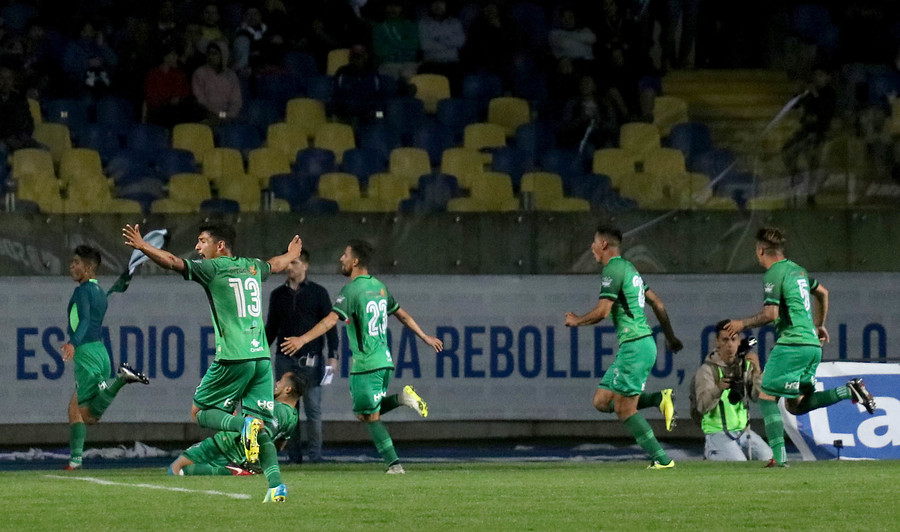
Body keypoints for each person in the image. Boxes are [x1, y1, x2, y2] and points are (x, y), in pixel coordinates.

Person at [122, 221, 302, 503]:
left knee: (199, 411)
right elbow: (275, 264)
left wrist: (144, 246)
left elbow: (172, 261)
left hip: (233, 357)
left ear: (220, 246)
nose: (197, 247)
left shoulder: (212, 268)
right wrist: (292, 255)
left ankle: (242, 425)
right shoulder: (252, 266)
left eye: (202, 241)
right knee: (262, 427)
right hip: (261, 359)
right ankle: (276, 486)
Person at [280, 239, 443, 474]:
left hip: (366, 364)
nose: (341, 259)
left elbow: (330, 321)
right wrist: (425, 336)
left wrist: (302, 339)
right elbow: (403, 315)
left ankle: (394, 464)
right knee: (363, 413)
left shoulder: (352, 290)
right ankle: (402, 399)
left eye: (345, 255)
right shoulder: (379, 286)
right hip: (384, 361)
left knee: (370, 415)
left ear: (355, 261)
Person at [724, 227, 876, 467]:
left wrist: (742, 323)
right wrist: (820, 325)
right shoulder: (799, 271)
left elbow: (770, 314)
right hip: (812, 347)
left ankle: (780, 458)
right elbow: (823, 293)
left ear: (760, 251)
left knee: (766, 395)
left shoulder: (774, 273)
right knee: (796, 405)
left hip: (792, 344)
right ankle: (849, 391)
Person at [564, 225, 683, 469]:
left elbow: (603, 311)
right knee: (601, 400)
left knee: (624, 409)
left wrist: (576, 320)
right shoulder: (631, 269)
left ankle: (663, 461)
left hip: (635, 346)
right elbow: (657, 303)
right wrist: (670, 337)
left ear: (604, 245)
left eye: (594, 243)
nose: (592, 248)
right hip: (638, 345)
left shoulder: (613, 269)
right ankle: (660, 398)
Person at [62, 245, 149, 470]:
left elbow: (84, 321)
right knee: (76, 409)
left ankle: (122, 379)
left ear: (89, 268)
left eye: (76, 263)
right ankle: (75, 461)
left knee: (86, 415)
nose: (71, 266)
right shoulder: (99, 291)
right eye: (72, 262)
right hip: (100, 351)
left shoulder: (81, 292)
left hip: (87, 352)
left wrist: (73, 342)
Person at [265, 248, 338, 464]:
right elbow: (271, 328)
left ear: (305, 265)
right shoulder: (277, 295)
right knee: (287, 410)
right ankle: (292, 456)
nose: (289, 267)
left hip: (311, 360)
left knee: (313, 409)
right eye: (288, 263)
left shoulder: (318, 293)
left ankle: (315, 456)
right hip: (284, 359)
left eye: (294, 263)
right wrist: (259, 351)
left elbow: (330, 326)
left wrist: (332, 354)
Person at [169, 372, 306, 476]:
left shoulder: (275, 408)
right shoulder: (293, 417)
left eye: (280, 381)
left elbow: (257, 429)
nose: (276, 383)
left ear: (287, 389)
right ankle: (233, 471)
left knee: (176, 468)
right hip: (240, 455)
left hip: (225, 444)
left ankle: (229, 472)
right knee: (188, 472)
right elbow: (279, 444)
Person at [689, 320, 772, 462]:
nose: (730, 345)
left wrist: (758, 372)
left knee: (769, 457)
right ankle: (711, 452)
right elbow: (701, 406)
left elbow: (758, 397)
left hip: (743, 432)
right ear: (717, 342)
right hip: (717, 433)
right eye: (725, 340)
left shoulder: (744, 365)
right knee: (739, 463)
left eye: (733, 339)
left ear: (739, 341)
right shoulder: (707, 371)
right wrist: (718, 389)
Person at [192, 41, 242, 125]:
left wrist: (228, 114)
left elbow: (236, 100)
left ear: (223, 55)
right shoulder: (200, 73)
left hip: (228, 114)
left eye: (215, 54)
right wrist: (220, 114)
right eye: (209, 53)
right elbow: (201, 100)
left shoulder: (231, 75)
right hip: (208, 113)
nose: (211, 57)